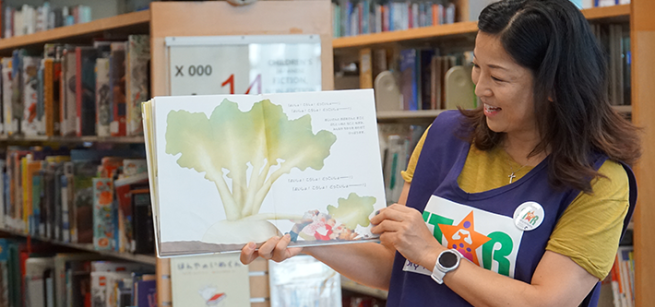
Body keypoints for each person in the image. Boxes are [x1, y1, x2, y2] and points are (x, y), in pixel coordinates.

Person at [240, 0, 640, 306]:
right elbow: (393, 266)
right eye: (476, 67)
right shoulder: (446, 136)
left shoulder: (599, 182)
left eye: (498, 76)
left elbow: (546, 301)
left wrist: (434, 254)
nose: (480, 87)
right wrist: (308, 240)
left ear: (555, 86)